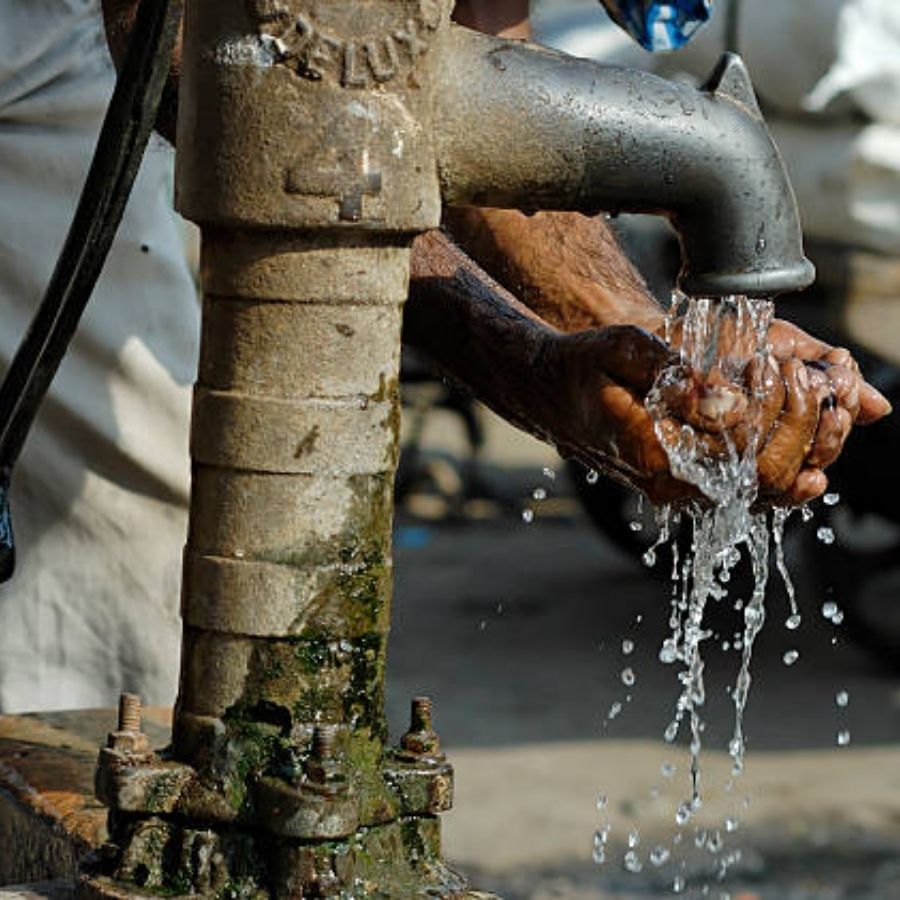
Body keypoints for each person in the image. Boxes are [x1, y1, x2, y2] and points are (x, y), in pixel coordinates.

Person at [0, 0, 886, 714]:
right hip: (132, 32)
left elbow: (447, 60)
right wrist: (527, 368)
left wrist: (643, 350)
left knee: (122, 567)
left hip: (66, 37)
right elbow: (228, 66)